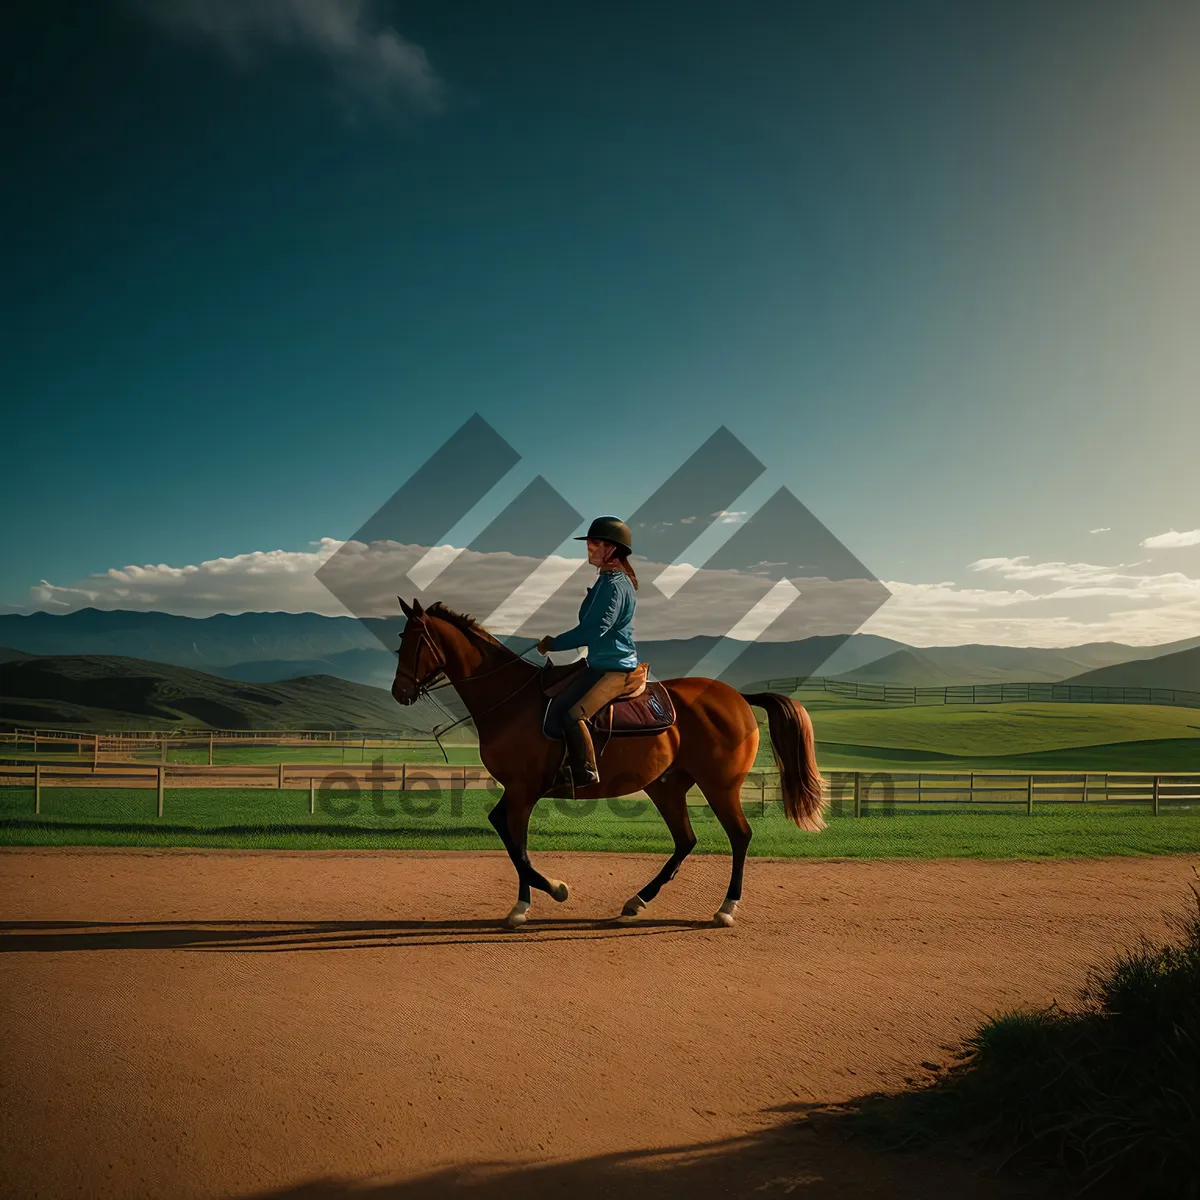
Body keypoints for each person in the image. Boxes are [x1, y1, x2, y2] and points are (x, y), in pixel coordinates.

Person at [536, 515, 640, 787]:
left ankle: (585, 771)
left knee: (572, 714)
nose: (590, 549)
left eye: (596, 543)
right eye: (589, 544)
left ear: (612, 549)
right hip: (598, 663)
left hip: (614, 668)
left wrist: (553, 643)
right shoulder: (606, 582)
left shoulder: (614, 585)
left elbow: (593, 630)